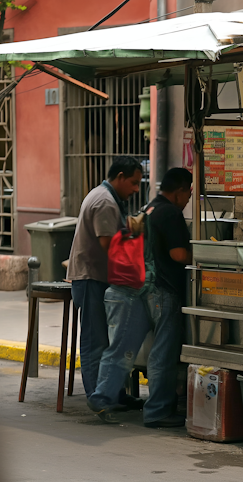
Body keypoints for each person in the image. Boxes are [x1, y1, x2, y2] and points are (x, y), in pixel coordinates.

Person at [87, 168, 193, 428]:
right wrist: (199, 258)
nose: (189, 199)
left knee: (122, 348)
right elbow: (179, 255)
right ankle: (157, 411)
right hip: (163, 290)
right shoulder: (171, 213)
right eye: (189, 193)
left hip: (136, 287)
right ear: (179, 191)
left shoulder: (149, 209)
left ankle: (101, 396)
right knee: (162, 353)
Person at [67, 156, 143, 400]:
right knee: (94, 340)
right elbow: (109, 245)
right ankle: (96, 396)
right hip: (91, 277)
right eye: (133, 182)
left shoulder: (105, 196)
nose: (135, 189)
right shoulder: (105, 202)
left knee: (103, 339)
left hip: (95, 276)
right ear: (119, 177)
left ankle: (111, 393)